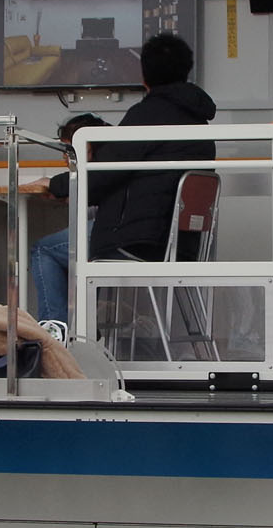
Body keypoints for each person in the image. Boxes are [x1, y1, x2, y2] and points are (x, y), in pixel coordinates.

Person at [35, 35, 214, 332]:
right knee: (81, 242)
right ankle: (88, 335)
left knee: (44, 250)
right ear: (186, 71)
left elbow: (103, 174)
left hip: (140, 240)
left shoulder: (146, 115)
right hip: (181, 241)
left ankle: (57, 342)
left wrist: (56, 185)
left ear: (144, 76)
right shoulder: (199, 123)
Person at [31, 112, 110, 328]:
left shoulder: (100, 168)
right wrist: (69, 198)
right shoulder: (111, 160)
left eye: (69, 150)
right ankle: (76, 331)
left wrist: (56, 185)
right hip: (132, 235)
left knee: (43, 250)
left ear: (86, 145)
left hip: (113, 236)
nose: (65, 158)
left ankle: (55, 333)